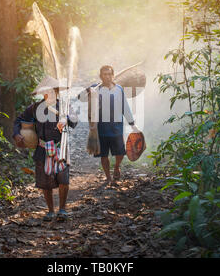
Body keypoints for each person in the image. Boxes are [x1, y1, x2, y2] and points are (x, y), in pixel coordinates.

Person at [13, 76, 77, 221]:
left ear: (56, 92)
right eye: (46, 92)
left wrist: (65, 119)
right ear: (43, 93)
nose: (50, 94)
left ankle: (62, 209)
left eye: (52, 91)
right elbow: (19, 120)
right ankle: (50, 211)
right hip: (42, 148)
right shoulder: (35, 108)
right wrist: (16, 134)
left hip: (61, 147)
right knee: (45, 181)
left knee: (63, 179)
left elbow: (74, 119)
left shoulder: (64, 107)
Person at [90, 65, 141, 185]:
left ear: (113, 76)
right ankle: (108, 177)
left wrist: (132, 124)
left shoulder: (119, 89)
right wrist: (91, 94)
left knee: (120, 152)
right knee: (104, 154)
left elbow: (125, 107)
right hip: (101, 127)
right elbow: (83, 100)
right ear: (100, 76)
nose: (107, 77)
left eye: (109, 74)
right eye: (104, 74)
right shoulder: (95, 89)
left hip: (116, 127)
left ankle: (117, 167)